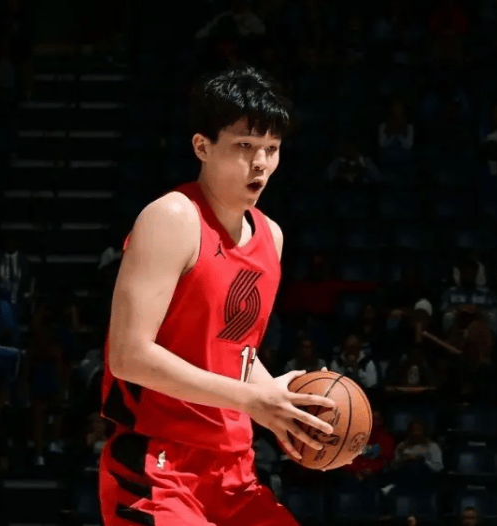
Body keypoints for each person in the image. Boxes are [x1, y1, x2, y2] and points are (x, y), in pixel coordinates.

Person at [99, 66, 335, 526]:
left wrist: (282, 403)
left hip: (234, 469)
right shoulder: (172, 217)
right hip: (158, 464)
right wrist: (252, 401)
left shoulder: (271, 237)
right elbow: (129, 357)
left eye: (271, 148)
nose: (260, 163)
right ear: (202, 146)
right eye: (244, 146)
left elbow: (234, 352)